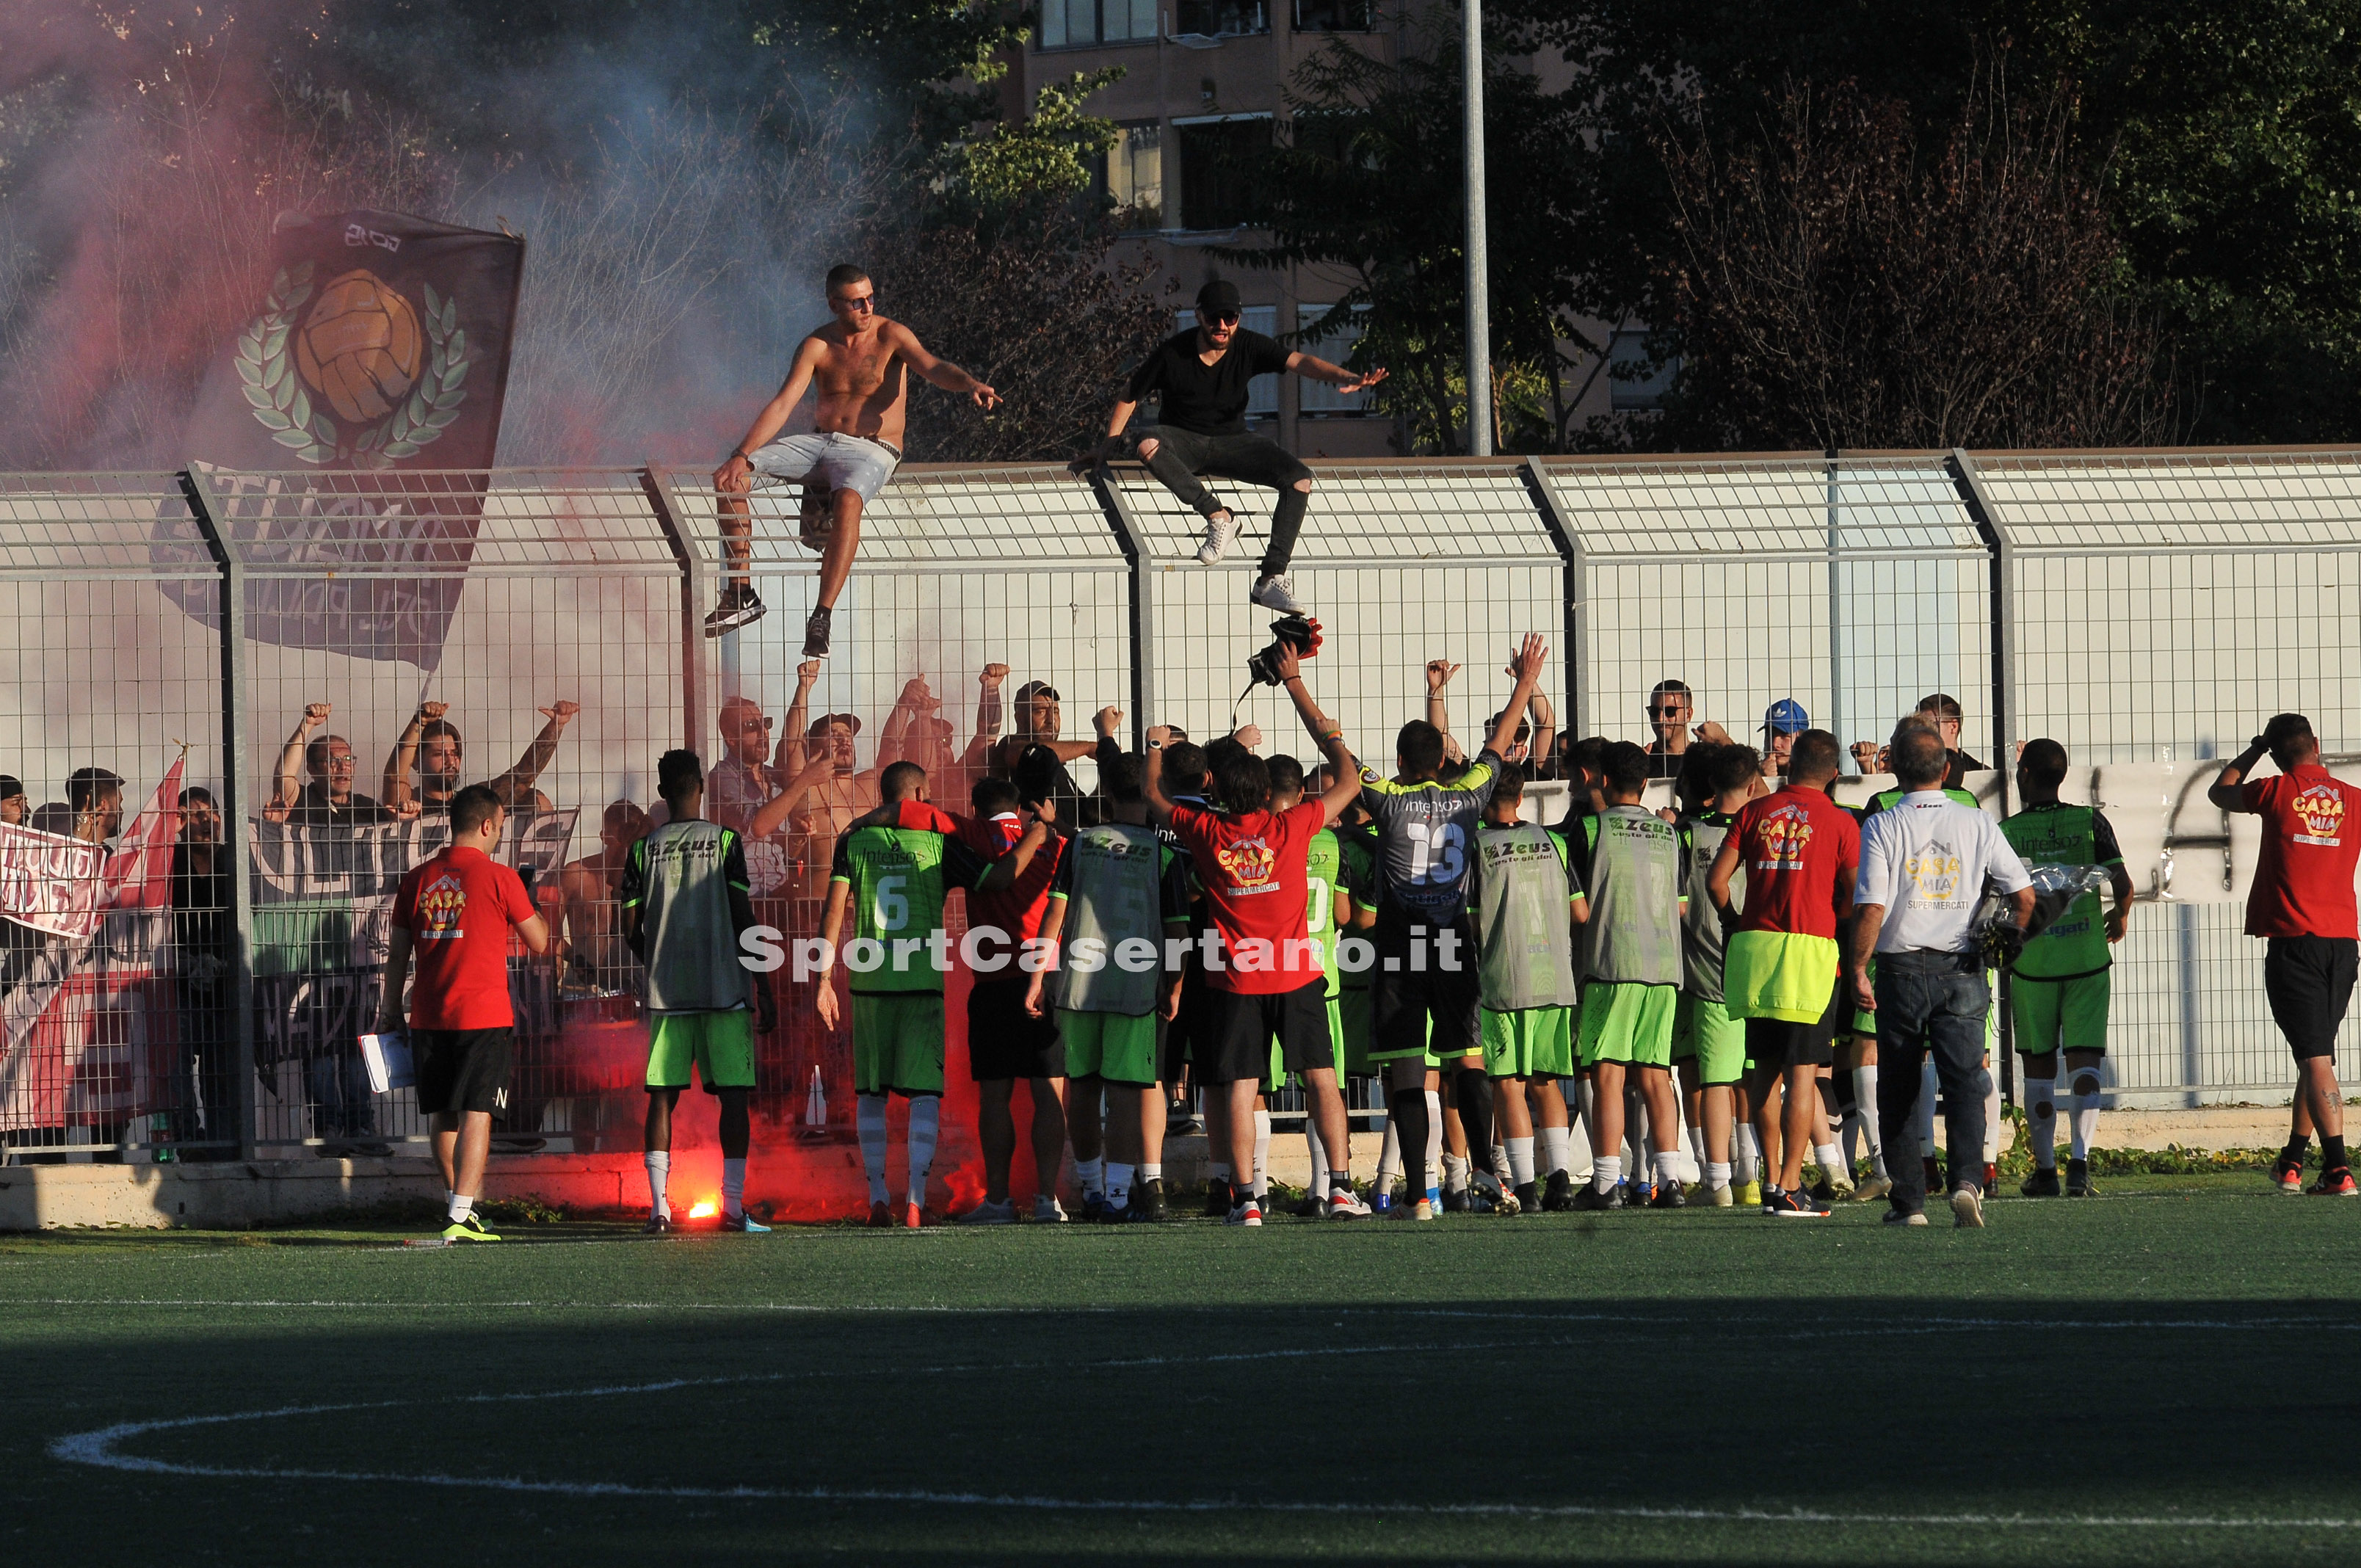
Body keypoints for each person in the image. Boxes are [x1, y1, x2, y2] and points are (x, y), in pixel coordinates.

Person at [1143, 642, 1368, 1224]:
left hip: (1236, 978)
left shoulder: (1204, 830)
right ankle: (1340, 1186)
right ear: (1267, 790)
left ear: (1214, 785)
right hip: (1297, 972)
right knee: (1321, 1078)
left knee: (1240, 1086)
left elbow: (1152, 795)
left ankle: (1246, 1199)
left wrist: (1153, 747)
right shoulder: (1294, 825)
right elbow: (1348, 778)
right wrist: (1308, 703)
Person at [708, 263, 1001, 656]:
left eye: (870, 298)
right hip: (821, 442)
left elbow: (932, 366)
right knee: (731, 479)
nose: (867, 307)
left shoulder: (890, 335)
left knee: (848, 499)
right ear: (834, 305)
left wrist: (970, 384)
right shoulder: (817, 345)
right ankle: (740, 593)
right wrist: (741, 455)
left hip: (873, 448)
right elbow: (783, 404)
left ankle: (821, 616)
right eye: (857, 302)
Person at [1361, 635, 1549, 1219]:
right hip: (1450, 940)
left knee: (1410, 1072)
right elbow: (1498, 745)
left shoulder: (1387, 798)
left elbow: (1333, 749)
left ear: (1397, 762)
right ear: (1443, 760)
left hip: (1399, 944)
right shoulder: (1469, 795)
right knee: (1467, 1060)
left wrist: (1296, 686)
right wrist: (1524, 683)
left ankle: (1419, 1192)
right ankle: (1490, 1175)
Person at [813, 761, 1049, 1227]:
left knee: (871, 1094)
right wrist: (1036, 837)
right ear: (919, 793)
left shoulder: (853, 841)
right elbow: (997, 879)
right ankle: (916, 1201)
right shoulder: (940, 843)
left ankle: (878, 1196)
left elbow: (833, 908)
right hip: (922, 982)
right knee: (923, 1094)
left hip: (870, 982)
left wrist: (822, 978)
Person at [1079, 278, 1388, 616]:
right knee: (1147, 441)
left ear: (1239, 319)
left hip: (1234, 442)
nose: (1222, 326)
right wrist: (1106, 447)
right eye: (1214, 318)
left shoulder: (1249, 346)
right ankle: (1219, 516)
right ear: (1199, 316)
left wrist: (1348, 378)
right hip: (1184, 442)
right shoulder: (1173, 353)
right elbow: (1130, 395)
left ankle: (1271, 579)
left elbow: (1300, 362)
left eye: (1230, 318)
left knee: (1299, 478)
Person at [1849, 722, 2034, 1229]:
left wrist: (1857, 967)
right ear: (1947, 769)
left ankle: (1909, 1204)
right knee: (1965, 1080)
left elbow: (1871, 906)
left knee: (1901, 1086)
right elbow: (2025, 895)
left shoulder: (1883, 823)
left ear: (1893, 769)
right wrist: (2008, 941)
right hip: (1963, 964)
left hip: (1902, 967)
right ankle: (1968, 1182)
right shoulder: (1975, 821)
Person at [1024, 749, 1193, 1222]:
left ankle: (1093, 1190)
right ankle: (1119, 1196)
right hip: (1135, 990)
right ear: (1148, 792)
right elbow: (1179, 933)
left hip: (1078, 986)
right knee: (1123, 1091)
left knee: (1082, 1088)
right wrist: (1175, 986)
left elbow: (1054, 914)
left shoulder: (1079, 844)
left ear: (1109, 791)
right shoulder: (1164, 853)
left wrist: (1037, 977)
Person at [378, 783, 552, 1242]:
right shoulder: (499, 877)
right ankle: (460, 1215)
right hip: (483, 1013)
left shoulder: (417, 879)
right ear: (488, 825)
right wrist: (527, 901)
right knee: (479, 1111)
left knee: (443, 1113)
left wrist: (390, 1010)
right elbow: (540, 941)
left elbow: (397, 954)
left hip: (429, 1014)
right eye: (500, 827)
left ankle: (458, 1206)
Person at [621, 751, 781, 1233]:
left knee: (662, 1098)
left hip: (667, 992)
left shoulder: (641, 849)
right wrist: (765, 987)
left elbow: (629, 927)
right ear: (701, 788)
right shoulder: (724, 841)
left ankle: (659, 1210)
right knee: (733, 1097)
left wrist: (659, 958)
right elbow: (742, 917)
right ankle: (732, 1209)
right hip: (725, 989)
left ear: (661, 791)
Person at [2208, 714, 2360, 1197]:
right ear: (2317, 743)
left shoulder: (2275, 791)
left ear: (2275, 754)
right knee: (2316, 1055)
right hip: (2343, 941)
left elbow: (2222, 790)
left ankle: (2338, 1169)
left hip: (2296, 942)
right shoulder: (2354, 801)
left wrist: (2253, 750)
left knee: (2315, 1058)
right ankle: (2293, 1161)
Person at [1709, 729, 1859, 1217]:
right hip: (1810, 957)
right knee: (1802, 1075)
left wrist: (1735, 922)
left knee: (1764, 1073)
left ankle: (1771, 1178)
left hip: (1755, 951)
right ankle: (1791, 1187)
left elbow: (1716, 883)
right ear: (1834, 774)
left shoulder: (1753, 812)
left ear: (1790, 765)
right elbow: (1855, 895)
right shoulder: (1839, 823)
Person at [2001, 739, 2135, 1198]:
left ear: (2024, 776)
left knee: (2037, 1067)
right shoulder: (2090, 820)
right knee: (2084, 1059)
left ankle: (2044, 1171)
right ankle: (2080, 1164)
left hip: (2032, 964)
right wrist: (2119, 915)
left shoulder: (2008, 830)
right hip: (2087, 961)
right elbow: (2123, 881)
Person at [1566, 740, 1686, 1210]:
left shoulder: (1591, 830)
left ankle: (1605, 1183)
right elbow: (1680, 907)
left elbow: (1577, 909)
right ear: (1646, 784)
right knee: (1657, 1074)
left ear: (1601, 780)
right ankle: (1670, 1182)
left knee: (1609, 1074)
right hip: (1663, 965)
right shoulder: (1668, 834)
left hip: (1611, 963)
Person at [954, 774, 1071, 1226]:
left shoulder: (971, 837)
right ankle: (1046, 1200)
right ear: (1020, 804)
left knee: (995, 1097)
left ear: (976, 806)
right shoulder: (1056, 845)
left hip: (994, 983)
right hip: (1045, 977)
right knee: (1048, 1092)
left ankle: (1000, 1201)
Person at [1470, 762, 1585, 1213]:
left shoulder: (1476, 846)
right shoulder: (1554, 841)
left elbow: (1468, 919)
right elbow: (1581, 913)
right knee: (1546, 1082)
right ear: (1521, 797)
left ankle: (1525, 1187)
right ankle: (1560, 1180)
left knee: (1509, 1085)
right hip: (1554, 976)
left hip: (1504, 977)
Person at [1674, 743, 1758, 1206]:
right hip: (1760, 968)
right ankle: (1751, 1172)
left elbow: (1680, 907)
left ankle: (1717, 1180)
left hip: (1708, 972)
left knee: (1715, 1081)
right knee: (1755, 1075)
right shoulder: (1765, 831)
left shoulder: (1687, 835)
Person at [169, 785, 236, 1156]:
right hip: (177, 981)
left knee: (221, 1066)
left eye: (212, 812)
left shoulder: (235, 859)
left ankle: (223, 1141)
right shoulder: (168, 860)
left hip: (227, 982)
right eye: (194, 815)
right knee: (175, 1065)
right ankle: (187, 1139)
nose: (207, 821)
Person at [380, 699, 579, 819]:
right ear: (416, 761)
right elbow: (394, 775)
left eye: (455, 753)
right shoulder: (408, 803)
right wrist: (419, 722)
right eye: (439, 754)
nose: (451, 762)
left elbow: (522, 775)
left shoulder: (473, 801)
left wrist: (555, 727)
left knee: (536, 797)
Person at [558, 800, 651, 998]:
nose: (627, 844)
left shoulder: (649, 876)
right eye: (622, 837)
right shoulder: (577, 875)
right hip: (584, 986)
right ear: (604, 837)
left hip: (636, 986)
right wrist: (574, 958)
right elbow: (549, 929)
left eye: (633, 836)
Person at [264, 703, 396, 826]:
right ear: (311, 769)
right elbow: (284, 775)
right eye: (332, 760)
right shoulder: (299, 801)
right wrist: (307, 725)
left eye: (348, 759)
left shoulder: (368, 809)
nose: (343, 766)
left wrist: (405, 820)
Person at [65, 767, 124, 844]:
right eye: (119, 804)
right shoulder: (53, 852)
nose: (122, 811)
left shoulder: (56, 851)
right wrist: (76, 838)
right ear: (103, 807)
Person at [1758, 700, 1809, 781]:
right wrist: (1762, 781)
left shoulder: (1818, 777)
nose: (1775, 744)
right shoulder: (1749, 778)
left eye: (1785, 735)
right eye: (1769, 735)